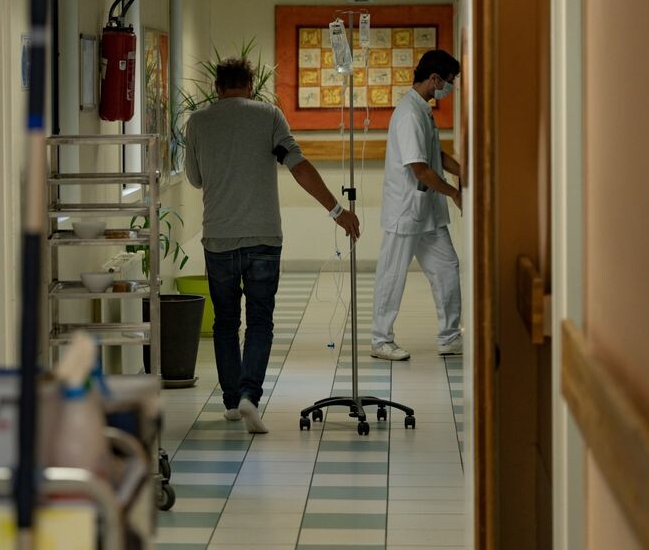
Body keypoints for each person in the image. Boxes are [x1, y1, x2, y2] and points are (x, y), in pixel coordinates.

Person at [185, 58, 360, 433]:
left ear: (217, 88)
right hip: (264, 238)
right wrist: (337, 210)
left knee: (225, 322)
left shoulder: (198, 122)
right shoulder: (270, 117)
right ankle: (250, 395)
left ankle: (232, 403)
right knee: (260, 321)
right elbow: (297, 165)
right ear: (250, 85)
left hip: (218, 238)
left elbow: (196, 179)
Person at [371, 49, 464, 361]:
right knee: (392, 274)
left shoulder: (423, 109)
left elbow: (436, 155)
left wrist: (463, 172)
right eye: (448, 82)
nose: (449, 88)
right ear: (434, 78)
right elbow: (419, 168)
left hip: (428, 212)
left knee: (448, 268)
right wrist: (453, 192)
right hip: (407, 209)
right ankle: (381, 340)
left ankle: (449, 337)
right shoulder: (409, 113)